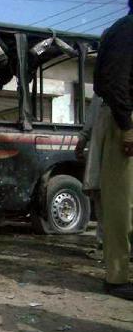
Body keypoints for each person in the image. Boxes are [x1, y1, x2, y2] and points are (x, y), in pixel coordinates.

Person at [93, 0, 133, 299]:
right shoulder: (126, 31)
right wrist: (127, 125)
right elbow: (113, 82)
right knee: (122, 206)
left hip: (124, 117)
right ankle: (117, 278)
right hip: (125, 120)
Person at [75, 94, 104, 252]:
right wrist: (82, 141)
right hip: (101, 150)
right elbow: (90, 124)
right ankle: (103, 243)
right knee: (101, 197)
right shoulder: (100, 95)